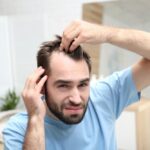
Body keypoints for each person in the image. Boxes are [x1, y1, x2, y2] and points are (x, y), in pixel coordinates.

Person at [3, 20, 150, 150]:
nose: (76, 98)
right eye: (63, 86)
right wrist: (35, 118)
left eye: (83, 84)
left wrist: (107, 35)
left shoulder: (104, 97)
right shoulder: (18, 130)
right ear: (41, 85)